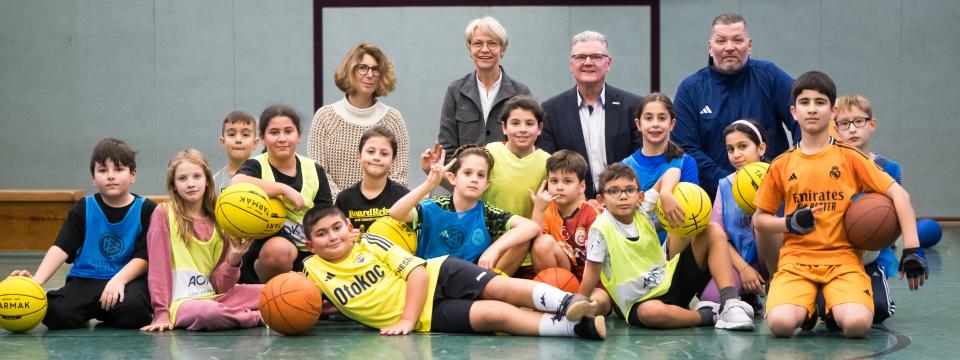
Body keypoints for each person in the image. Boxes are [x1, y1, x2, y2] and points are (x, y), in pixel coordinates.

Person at [754, 71, 929, 338]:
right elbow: (760, 219)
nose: (812, 109)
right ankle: (810, 309)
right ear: (793, 111)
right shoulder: (781, 164)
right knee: (781, 325)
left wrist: (913, 248)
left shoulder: (852, 158)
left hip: (844, 261)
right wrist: (787, 223)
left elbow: (899, 195)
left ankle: (825, 303)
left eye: (820, 102)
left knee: (858, 325)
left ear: (832, 111)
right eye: (805, 102)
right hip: (796, 262)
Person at [300, 204, 606, 339]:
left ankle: (568, 303)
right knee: (495, 315)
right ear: (310, 245)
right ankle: (577, 328)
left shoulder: (370, 243)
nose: (333, 237)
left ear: (349, 228)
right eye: (322, 234)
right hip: (426, 316)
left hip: (436, 273)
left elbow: (417, 274)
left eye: (337, 228)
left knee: (499, 287)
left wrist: (406, 320)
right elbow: (290, 299)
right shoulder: (311, 270)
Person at [578, 163, 755, 330]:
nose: (623, 196)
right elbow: (591, 274)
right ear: (601, 200)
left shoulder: (642, 209)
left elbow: (673, 171)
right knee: (651, 313)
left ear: (640, 196)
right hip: (640, 301)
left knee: (712, 230)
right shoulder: (600, 229)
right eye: (613, 191)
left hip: (670, 280)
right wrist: (577, 302)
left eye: (630, 190)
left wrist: (665, 193)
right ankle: (711, 316)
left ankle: (730, 303)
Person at [9, 138, 156, 329]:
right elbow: (62, 246)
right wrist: (37, 281)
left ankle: (109, 311)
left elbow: (144, 257)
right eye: (103, 171)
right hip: (86, 280)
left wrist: (118, 280)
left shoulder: (147, 209)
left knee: (135, 312)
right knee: (54, 313)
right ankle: (98, 311)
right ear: (93, 178)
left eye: (118, 169)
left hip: (126, 282)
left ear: (132, 175)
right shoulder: (84, 207)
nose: (110, 176)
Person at [673, 13, 798, 200]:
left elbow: (802, 120)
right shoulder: (691, 89)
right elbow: (685, 148)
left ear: (749, 46)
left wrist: (791, 169)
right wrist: (730, 183)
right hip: (715, 197)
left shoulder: (769, 76)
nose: (729, 47)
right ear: (710, 47)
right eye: (721, 40)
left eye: (737, 40)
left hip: (773, 194)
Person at [142, 149, 263, 332]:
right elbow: (158, 269)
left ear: (207, 180)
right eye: (182, 178)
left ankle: (319, 305)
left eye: (197, 176)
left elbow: (220, 286)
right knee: (209, 313)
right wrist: (161, 314)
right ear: (173, 185)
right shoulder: (164, 214)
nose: (191, 183)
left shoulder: (220, 218)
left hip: (217, 296)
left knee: (277, 293)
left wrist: (235, 258)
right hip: (183, 303)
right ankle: (258, 316)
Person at [390, 145, 540, 275]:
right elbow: (395, 213)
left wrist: (494, 249)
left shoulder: (487, 214)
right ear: (452, 178)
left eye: (480, 175)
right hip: (430, 281)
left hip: (468, 285)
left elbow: (531, 227)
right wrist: (429, 184)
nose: (474, 179)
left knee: (522, 241)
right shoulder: (433, 207)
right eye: (467, 173)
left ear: (486, 185)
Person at [820, 94, 902, 325]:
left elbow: (894, 217)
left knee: (878, 311)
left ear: (872, 124)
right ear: (835, 130)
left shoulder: (889, 168)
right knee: (824, 313)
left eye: (859, 121)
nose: (852, 129)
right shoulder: (827, 168)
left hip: (873, 255)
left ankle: (874, 287)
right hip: (836, 253)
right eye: (844, 124)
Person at [232, 105, 333, 284]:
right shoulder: (256, 165)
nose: (282, 138)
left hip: (309, 248)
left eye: (288, 131)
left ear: (299, 136)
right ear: (263, 138)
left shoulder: (314, 169)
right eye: (274, 132)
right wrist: (283, 189)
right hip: (266, 246)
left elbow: (325, 215)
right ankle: (266, 290)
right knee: (280, 250)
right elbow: (236, 183)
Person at [540, 30, 641, 200]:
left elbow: (641, 160)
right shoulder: (551, 110)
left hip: (623, 204)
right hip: (573, 208)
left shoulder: (633, 106)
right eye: (580, 57)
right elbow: (550, 167)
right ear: (571, 65)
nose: (587, 62)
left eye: (595, 57)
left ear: (608, 63)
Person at [308, 43, 410, 199]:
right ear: (350, 70)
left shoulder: (393, 119)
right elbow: (317, 172)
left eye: (375, 70)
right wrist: (344, 206)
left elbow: (400, 175)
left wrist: (375, 209)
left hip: (383, 216)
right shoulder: (325, 117)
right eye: (362, 68)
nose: (370, 75)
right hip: (336, 215)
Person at [699, 120, 776, 312]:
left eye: (743, 146)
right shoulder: (725, 185)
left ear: (761, 148)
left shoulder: (780, 177)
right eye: (730, 149)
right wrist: (744, 269)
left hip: (780, 259)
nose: (736, 154)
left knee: (763, 222)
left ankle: (778, 284)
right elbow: (720, 238)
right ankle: (749, 297)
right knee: (711, 302)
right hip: (742, 261)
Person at [437, 16, 532, 164]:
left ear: (502, 50)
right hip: (465, 181)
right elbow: (447, 148)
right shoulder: (455, 91)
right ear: (470, 50)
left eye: (492, 43)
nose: (485, 49)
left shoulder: (520, 93)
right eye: (478, 43)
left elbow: (530, 145)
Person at [528, 150, 610, 315]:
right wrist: (537, 209)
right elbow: (533, 245)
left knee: (601, 299)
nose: (559, 186)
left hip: (593, 278)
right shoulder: (545, 210)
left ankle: (583, 309)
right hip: (564, 276)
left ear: (581, 187)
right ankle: (557, 300)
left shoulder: (592, 214)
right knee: (542, 243)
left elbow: (596, 264)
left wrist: (582, 294)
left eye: (567, 181)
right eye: (554, 181)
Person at [621, 93, 699, 243]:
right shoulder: (625, 166)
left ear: (672, 124)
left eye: (662, 118)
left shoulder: (686, 163)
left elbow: (690, 211)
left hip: (675, 248)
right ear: (638, 124)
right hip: (636, 248)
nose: (655, 124)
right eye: (649, 118)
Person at [335, 125, 410, 233]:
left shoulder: (403, 196)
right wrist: (346, 239)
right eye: (370, 152)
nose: (376, 157)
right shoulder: (344, 199)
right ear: (359, 156)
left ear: (393, 161)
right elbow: (337, 237)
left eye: (384, 154)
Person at [213, 111, 259, 194]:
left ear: (255, 143)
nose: (238, 140)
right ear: (223, 141)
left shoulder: (265, 177)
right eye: (231, 134)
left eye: (245, 134)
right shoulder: (214, 182)